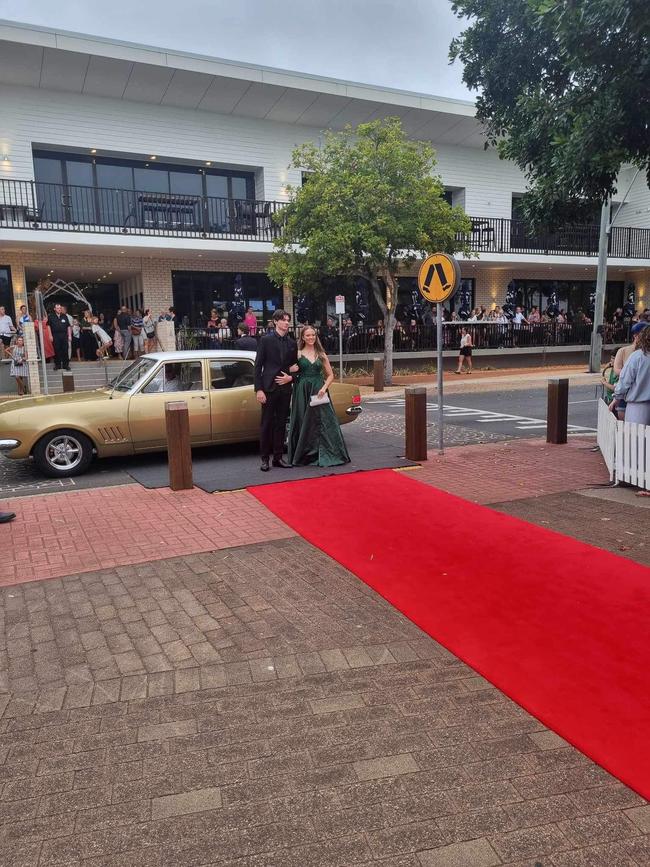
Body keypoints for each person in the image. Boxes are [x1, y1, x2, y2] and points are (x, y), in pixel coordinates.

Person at [287, 325, 351, 468]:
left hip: (319, 389)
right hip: (302, 390)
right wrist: (290, 370)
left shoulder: (321, 354)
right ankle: (304, 456)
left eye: (313, 335)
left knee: (324, 421)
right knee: (303, 420)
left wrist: (324, 388)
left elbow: (330, 375)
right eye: (308, 335)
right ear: (303, 337)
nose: (311, 338)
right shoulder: (297, 353)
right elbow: (289, 371)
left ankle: (328, 453)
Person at [254, 309, 297, 472]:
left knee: (280, 424)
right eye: (284, 320)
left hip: (285, 389)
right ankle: (265, 459)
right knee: (266, 424)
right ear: (276, 321)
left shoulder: (292, 343)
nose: (286, 322)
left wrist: (290, 378)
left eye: (288, 320)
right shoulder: (265, 340)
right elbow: (258, 366)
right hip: (268, 388)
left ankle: (278, 458)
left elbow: (296, 368)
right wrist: (259, 389)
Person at [611, 325, 650, 424]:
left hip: (638, 406)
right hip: (640, 404)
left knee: (636, 436)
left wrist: (617, 397)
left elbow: (625, 380)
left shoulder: (637, 356)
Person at [47, 303, 71, 371]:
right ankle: (57, 365)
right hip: (55, 335)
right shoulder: (51, 316)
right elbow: (48, 326)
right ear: (54, 309)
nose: (59, 309)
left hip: (64, 335)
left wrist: (69, 336)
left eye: (60, 308)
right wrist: (50, 335)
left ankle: (65, 365)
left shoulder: (64, 316)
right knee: (57, 350)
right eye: (58, 308)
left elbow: (68, 326)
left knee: (65, 350)